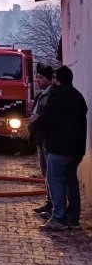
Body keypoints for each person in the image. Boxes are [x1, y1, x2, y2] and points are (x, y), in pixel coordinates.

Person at [33, 65, 88, 232]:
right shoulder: (77, 96)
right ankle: (73, 219)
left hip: (59, 148)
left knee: (54, 180)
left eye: (55, 78)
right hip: (76, 150)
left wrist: (32, 125)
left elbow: (48, 118)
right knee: (71, 181)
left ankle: (58, 219)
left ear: (59, 80)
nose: (53, 81)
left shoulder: (58, 96)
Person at [28, 65, 54, 218]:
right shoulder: (40, 95)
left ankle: (54, 206)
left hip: (47, 139)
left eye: (41, 78)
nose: (38, 81)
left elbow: (45, 117)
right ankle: (49, 202)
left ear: (50, 79)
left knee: (52, 175)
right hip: (40, 139)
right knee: (45, 173)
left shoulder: (52, 96)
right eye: (37, 77)